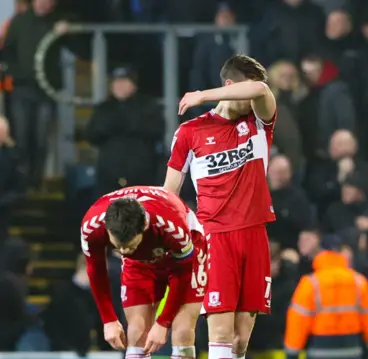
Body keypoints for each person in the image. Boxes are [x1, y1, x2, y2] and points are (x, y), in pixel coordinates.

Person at [165, 54, 277, 359]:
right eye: (246, 85)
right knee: (222, 335)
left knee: (240, 341)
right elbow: (170, 193)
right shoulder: (190, 133)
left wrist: (202, 95)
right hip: (215, 236)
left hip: (255, 235)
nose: (253, 92)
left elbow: (262, 92)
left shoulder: (258, 122)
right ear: (230, 85)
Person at [81, 185, 206, 359]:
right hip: (140, 261)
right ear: (107, 228)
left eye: (130, 245)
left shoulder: (173, 226)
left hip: (183, 252)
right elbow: (96, 270)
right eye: (118, 248)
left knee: (182, 331)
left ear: (145, 226)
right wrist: (108, 320)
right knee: (136, 333)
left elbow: (182, 274)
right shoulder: (91, 227)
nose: (124, 251)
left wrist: (163, 323)